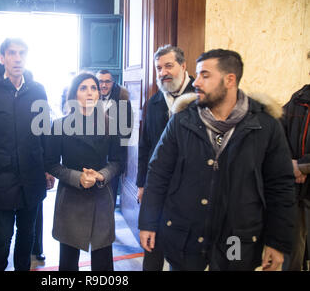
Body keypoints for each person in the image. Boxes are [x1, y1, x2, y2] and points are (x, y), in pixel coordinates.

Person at [138, 49, 296, 271]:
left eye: (205, 75)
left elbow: (280, 186)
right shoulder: (182, 121)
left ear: (229, 79)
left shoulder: (265, 126)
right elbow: (158, 174)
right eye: (197, 74)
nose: (196, 82)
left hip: (236, 240)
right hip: (187, 236)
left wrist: (277, 242)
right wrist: (148, 223)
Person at [0, 38, 54, 271]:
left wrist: (49, 167)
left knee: (27, 237)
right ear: (2, 57)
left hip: (32, 178)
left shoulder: (38, 90)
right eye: (12, 53)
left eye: (22, 53)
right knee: (2, 238)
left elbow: (45, 132)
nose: (18, 58)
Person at [45, 72, 124, 271]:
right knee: (69, 261)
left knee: (103, 261)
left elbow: (117, 162)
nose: (89, 93)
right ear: (74, 95)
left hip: (101, 196)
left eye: (93, 88)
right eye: (83, 88)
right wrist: (76, 177)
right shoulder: (59, 126)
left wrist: (101, 175)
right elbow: (51, 164)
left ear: (99, 94)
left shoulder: (111, 124)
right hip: (71, 198)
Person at [136, 45, 195, 271]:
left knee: (182, 254)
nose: (162, 73)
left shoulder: (201, 98)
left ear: (183, 66)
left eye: (168, 66)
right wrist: (142, 183)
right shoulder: (154, 102)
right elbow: (145, 146)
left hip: (188, 188)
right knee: (152, 247)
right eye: (158, 68)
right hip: (157, 185)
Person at [281, 84, 310, 271]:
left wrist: (302, 166)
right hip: (297, 190)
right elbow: (277, 135)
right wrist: (289, 164)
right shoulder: (297, 100)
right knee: (293, 251)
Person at [96, 69, 132, 207]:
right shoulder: (88, 98)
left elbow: (126, 131)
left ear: (113, 83)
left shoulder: (123, 100)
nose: (103, 85)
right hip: (91, 157)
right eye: (100, 81)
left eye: (107, 81)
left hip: (112, 158)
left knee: (108, 200)